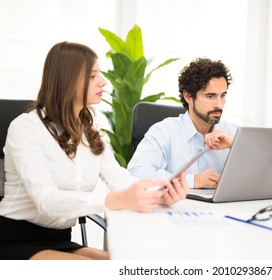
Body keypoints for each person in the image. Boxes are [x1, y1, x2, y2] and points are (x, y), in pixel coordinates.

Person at [0, 41, 189, 260]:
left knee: (127, 265)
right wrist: (114, 200)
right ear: (67, 79)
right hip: (14, 241)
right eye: (92, 76)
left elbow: (118, 178)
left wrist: (159, 194)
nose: (103, 82)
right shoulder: (26, 128)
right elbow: (46, 200)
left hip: (60, 239)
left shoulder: (90, 134)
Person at [128, 58, 238, 189]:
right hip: (177, 207)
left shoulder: (233, 133)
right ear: (188, 97)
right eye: (210, 96)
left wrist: (235, 145)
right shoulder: (163, 131)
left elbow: (264, 172)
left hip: (226, 209)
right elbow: (136, 173)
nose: (219, 104)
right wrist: (191, 181)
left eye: (223, 95)